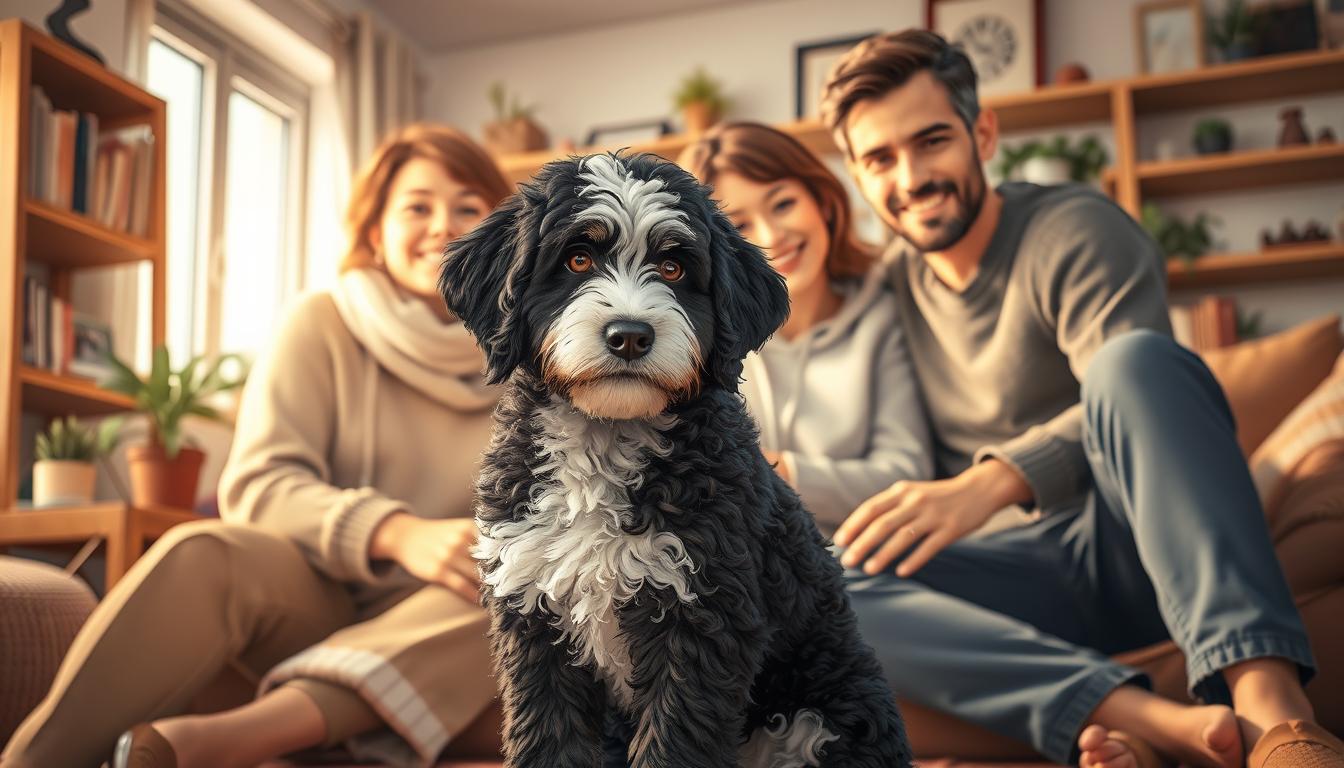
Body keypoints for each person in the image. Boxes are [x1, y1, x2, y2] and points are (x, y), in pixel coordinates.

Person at [819, 29, 1343, 768]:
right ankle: (1140, 721)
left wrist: (985, 483)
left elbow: (1133, 392)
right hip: (1019, 576)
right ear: (858, 174)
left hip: (1138, 536)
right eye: (880, 159)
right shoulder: (890, 286)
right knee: (807, 575)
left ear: (983, 133)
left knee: (1133, 362)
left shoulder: (1073, 229)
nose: (911, 177)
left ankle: (1273, 713)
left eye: (931, 141)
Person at [2, 123, 512, 768]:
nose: (444, 225)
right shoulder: (321, 323)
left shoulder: (539, 356)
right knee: (203, 548)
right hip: (318, 600)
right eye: (418, 206)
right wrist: (397, 533)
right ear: (375, 232)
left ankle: (241, 736)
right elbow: (260, 486)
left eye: (470, 208)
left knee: (525, 580)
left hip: (460, 625)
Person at [677, 122, 932, 536]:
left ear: (823, 201)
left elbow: (906, 474)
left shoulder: (883, 314)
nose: (773, 236)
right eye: (740, 226)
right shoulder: (702, 340)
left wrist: (776, 469)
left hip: (862, 559)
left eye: (783, 204)